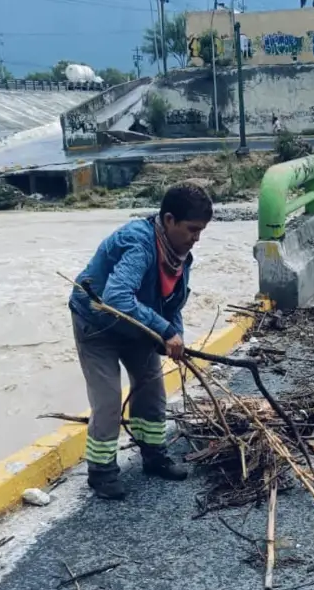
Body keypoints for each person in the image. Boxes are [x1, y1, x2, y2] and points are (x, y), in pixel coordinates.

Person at [68, 183, 212, 500]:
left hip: (136, 325)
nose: (196, 238)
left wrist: (176, 338)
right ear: (169, 219)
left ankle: (154, 456)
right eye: (191, 229)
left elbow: (172, 304)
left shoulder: (179, 256)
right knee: (107, 402)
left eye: (201, 231)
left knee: (152, 391)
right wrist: (163, 329)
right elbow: (116, 297)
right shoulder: (139, 243)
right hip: (97, 324)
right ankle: (102, 473)